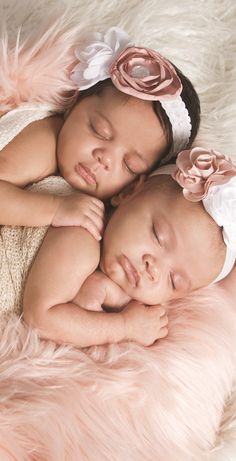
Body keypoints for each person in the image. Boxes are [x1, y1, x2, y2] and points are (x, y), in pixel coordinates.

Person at [22, 147, 236, 349]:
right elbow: (41, 318)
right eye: (157, 236)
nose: (152, 268)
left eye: (173, 280)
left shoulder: (109, 280)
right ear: (129, 192)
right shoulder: (81, 236)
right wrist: (124, 326)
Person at [0, 27, 200, 241]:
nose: (104, 158)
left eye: (129, 165)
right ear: (73, 105)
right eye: (99, 131)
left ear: (134, 187)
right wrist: (55, 209)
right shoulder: (46, 138)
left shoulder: (106, 207)